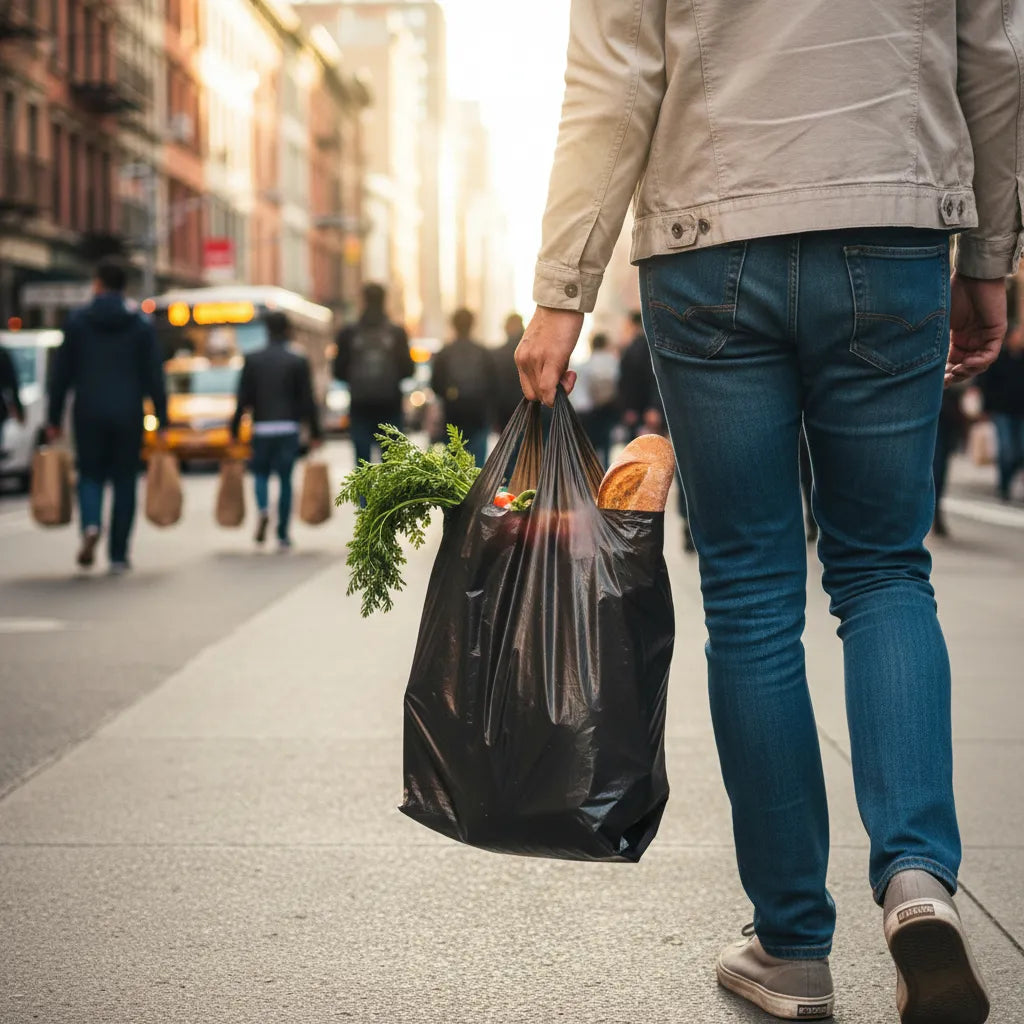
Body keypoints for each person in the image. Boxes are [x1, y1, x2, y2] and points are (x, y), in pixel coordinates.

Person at [515, 5, 1018, 1022]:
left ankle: (792, 945)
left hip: (710, 238)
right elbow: (997, 57)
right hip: (893, 220)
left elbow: (612, 78)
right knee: (883, 569)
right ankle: (917, 880)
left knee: (750, 595)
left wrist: (562, 291)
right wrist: (990, 256)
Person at [47, 258, 167, 574]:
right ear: (124, 286)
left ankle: (90, 525)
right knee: (125, 481)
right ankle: (118, 554)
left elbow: (60, 376)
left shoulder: (77, 322)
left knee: (90, 475)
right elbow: (154, 375)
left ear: (98, 284)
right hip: (128, 412)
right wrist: (162, 418)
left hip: (88, 411)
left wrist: (54, 419)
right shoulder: (140, 324)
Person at [231, 311, 322, 550]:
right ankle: (282, 533)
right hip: (288, 428)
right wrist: (315, 432)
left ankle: (262, 509)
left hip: (261, 428)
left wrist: (234, 429)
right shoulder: (297, 360)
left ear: (266, 330)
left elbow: (243, 399)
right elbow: (307, 401)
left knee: (260, 474)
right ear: (288, 330)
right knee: (285, 479)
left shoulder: (252, 359)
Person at [333, 283, 413, 465]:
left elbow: (338, 371)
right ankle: (389, 495)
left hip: (359, 406)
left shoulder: (349, 333)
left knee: (363, 465)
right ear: (385, 301)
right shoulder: (397, 333)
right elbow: (409, 370)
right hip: (390, 406)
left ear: (363, 301)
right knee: (391, 465)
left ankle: (364, 495)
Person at [431, 308, 493, 468]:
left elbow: (435, 385)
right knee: (476, 466)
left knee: (453, 469)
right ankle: (476, 492)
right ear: (473, 325)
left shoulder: (445, 353)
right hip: (478, 417)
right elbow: (494, 386)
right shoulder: (483, 352)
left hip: (452, 417)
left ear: (453, 325)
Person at [979, 312, 1024, 503]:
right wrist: (986, 408)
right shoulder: (999, 357)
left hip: (1021, 412)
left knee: (1021, 451)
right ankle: (1004, 485)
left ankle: (1008, 480)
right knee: (1006, 450)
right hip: (1001, 411)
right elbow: (986, 383)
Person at [575, 332, 619, 469]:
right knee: (606, 448)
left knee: (589, 449)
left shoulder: (585, 364)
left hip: (586, 412)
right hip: (605, 409)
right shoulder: (613, 362)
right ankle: (605, 478)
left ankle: (590, 478)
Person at [618, 311, 662, 440]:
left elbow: (650, 377)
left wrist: (653, 407)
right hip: (642, 410)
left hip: (643, 410)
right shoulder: (643, 345)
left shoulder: (640, 346)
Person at [491, 313, 526, 431]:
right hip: (531, 408)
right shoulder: (531, 351)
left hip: (506, 411)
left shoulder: (498, 354)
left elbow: (495, 387)